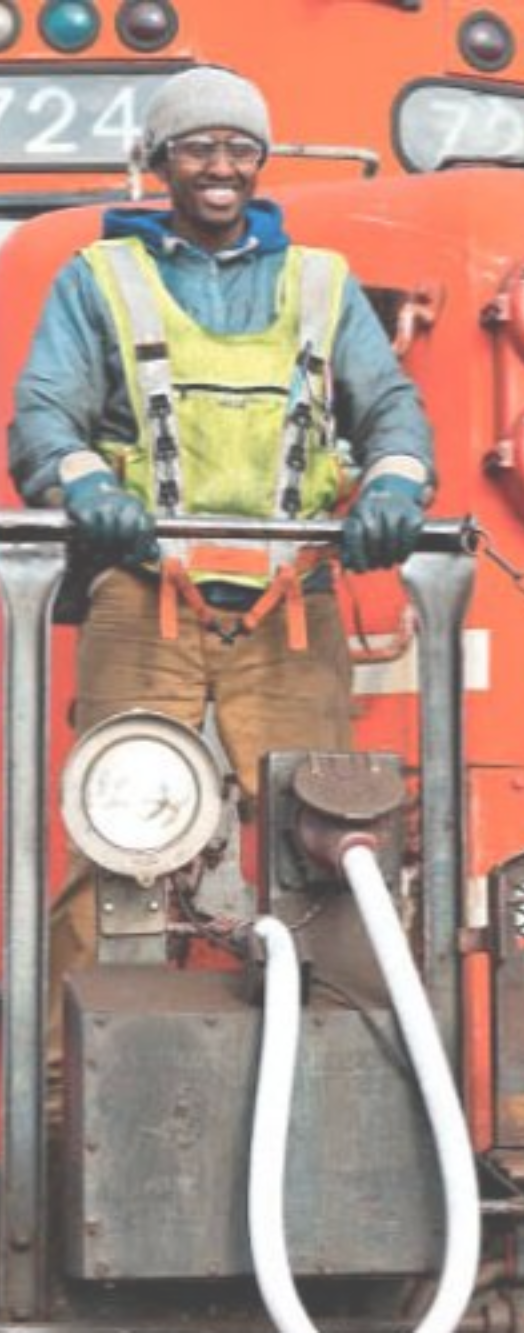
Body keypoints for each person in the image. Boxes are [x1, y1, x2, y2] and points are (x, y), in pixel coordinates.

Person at [6, 66, 434, 1001]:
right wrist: (84, 485)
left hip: (290, 610)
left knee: (322, 839)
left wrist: (396, 485)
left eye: (239, 148)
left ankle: (342, 1052)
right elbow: (42, 416)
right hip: (142, 596)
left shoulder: (322, 284)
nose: (220, 165)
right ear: (162, 160)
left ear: (260, 162)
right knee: (111, 832)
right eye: (198, 146)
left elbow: (392, 410)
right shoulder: (101, 279)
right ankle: (62, 1081)